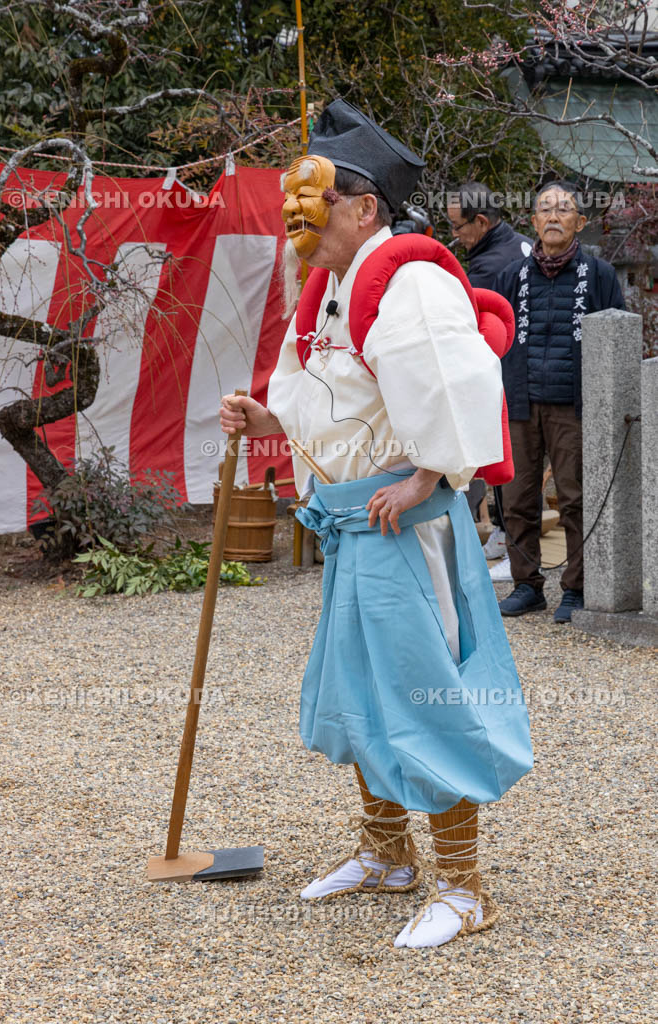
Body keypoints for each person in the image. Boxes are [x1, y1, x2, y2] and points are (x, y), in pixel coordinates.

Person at [220, 99, 532, 949]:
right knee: (355, 689)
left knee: (425, 691)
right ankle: (388, 853)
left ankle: (465, 887)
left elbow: (457, 380)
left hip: (408, 522)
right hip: (354, 524)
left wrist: (428, 471)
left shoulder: (411, 276)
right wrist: (265, 421)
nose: (301, 222)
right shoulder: (324, 289)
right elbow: (329, 396)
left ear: (364, 207)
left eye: (320, 202)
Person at [495, 181, 625, 622]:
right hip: (520, 402)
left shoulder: (600, 274)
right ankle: (526, 584)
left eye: (563, 210)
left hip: (574, 403)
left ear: (580, 223)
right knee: (516, 500)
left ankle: (576, 587)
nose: (553, 216)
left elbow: (617, 334)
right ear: (532, 222)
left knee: (574, 499)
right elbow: (491, 339)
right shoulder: (511, 277)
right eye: (545, 209)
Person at [448, 183, 532, 572]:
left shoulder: (489, 265)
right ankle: (503, 533)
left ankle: (510, 542)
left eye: (458, 227)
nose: (455, 236)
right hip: (530, 368)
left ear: (480, 222)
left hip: (511, 371)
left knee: (506, 461)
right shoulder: (520, 244)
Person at [447, 181, 532, 291]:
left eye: (457, 226)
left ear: (481, 223)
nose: (454, 234)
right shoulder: (527, 243)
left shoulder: (487, 271)